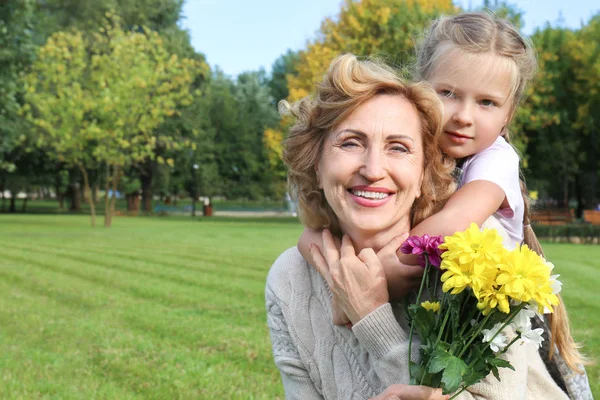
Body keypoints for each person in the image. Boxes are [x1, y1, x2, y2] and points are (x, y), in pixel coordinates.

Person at [298, 12, 591, 398]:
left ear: (508, 115)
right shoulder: (411, 149)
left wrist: (375, 274)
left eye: (486, 102)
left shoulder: (495, 159)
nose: (463, 117)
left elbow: (451, 224)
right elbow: (314, 233)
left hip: (499, 314)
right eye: (448, 93)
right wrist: (322, 253)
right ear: (421, 90)